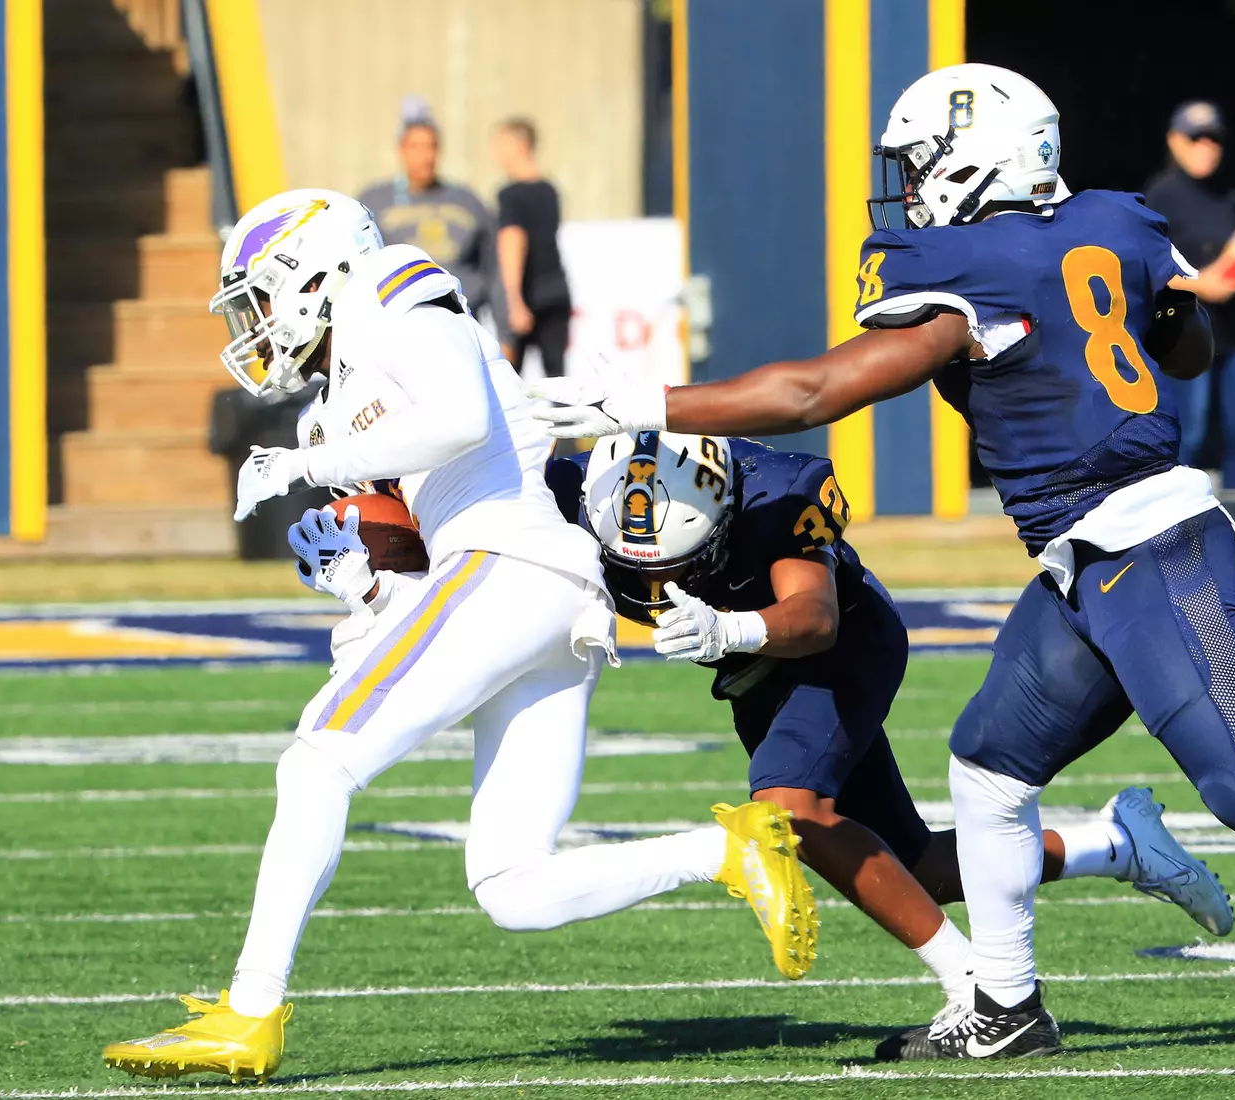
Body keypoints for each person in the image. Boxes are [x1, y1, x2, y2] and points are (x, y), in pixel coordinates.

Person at [526, 63, 1235, 1060]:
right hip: (1084, 556)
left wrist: (642, 399)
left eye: (919, 163)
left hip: (1149, 546)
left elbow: (821, 391)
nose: (907, 187)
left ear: (975, 159)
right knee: (987, 770)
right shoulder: (1112, 223)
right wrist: (1140, 300)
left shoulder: (967, 268)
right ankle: (1003, 1005)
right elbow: (1187, 344)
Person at [98, 189, 817, 1082]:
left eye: (258, 299)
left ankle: (249, 1011)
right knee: (513, 886)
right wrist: (362, 583)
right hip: (521, 595)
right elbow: (411, 585)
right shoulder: (329, 407)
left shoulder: (386, 284)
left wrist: (305, 465)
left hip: (508, 561)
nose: (254, 326)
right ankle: (727, 848)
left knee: (315, 763)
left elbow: (459, 420)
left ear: (313, 272)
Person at [545, 431, 1233, 1011]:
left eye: (681, 565)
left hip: (842, 644)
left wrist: (731, 627)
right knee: (915, 870)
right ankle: (1115, 845)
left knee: (789, 808)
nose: (658, 589)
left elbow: (814, 618)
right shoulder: (567, 492)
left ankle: (981, 993)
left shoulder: (775, 493)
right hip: (754, 675)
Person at [1141, 101, 1235, 502]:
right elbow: (1143, 265)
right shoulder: (1160, 194)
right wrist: (1200, 284)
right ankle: (1176, 519)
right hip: (1179, 330)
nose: (1207, 147)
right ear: (1175, 141)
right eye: (1196, 138)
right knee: (1186, 434)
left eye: (1214, 139)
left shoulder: (1225, 196)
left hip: (1223, 329)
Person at [358, 105, 500, 324]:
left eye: (432, 146)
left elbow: (494, 268)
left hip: (463, 322)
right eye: (416, 147)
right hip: (399, 324)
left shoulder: (468, 201)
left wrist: (506, 331)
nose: (426, 156)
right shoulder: (374, 201)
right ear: (401, 150)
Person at [491, 116, 573, 376]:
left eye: (502, 145)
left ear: (520, 146)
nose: (497, 153)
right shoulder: (549, 189)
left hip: (527, 296)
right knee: (558, 380)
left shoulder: (510, 195)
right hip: (556, 291)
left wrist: (514, 301)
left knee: (509, 380)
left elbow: (513, 242)